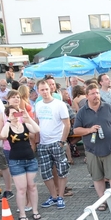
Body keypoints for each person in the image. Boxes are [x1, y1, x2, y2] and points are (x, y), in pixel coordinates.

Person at [74, 84, 111, 211]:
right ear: (87, 96)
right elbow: (76, 130)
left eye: (97, 93)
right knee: (97, 177)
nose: (96, 96)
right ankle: (102, 201)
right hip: (92, 150)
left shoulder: (108, 107)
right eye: (92, 93)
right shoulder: (82, 112)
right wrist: (89, 130)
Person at [0, 105, 41, 220]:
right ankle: (22, 213)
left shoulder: (25, 125)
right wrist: (9, 121)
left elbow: (36, 129)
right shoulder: (8, 127)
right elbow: (3, 135)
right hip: (16, 161)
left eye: (16, 113)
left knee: (32, 186)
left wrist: (27, 117)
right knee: (21, 188)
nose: (15, 116)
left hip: (30, 159)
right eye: (12, 113)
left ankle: (35, 210)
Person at [34, 79, 71, 210]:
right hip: (43, 144)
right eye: (42, 90)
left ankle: (60, 196)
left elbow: (67, 124)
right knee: (45, 173)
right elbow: (37, 123)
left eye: (46, 89)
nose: (45, 92)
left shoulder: (59, 104)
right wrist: (37, 141)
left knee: (62, 171)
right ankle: (53, 196)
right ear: (38, 91)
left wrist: (62, 141)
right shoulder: (38, 105)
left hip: (57, 141)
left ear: (50, 89)